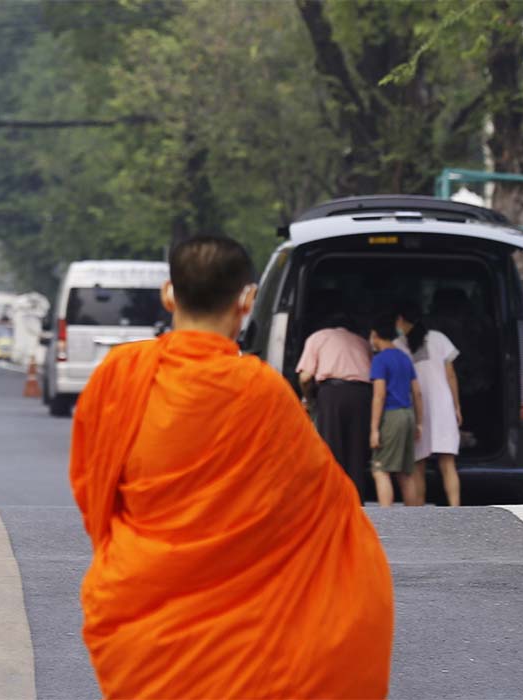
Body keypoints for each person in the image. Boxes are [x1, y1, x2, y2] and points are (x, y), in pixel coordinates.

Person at [70, 235, 393, 699]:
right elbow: (324, 505)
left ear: (168, 294)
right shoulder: (262, 392)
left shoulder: (119, 375)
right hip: (245, 626)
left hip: (141, 609)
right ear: (247, 300)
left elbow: (90, 484)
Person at [296, 296, 373, 501]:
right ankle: (356, 501)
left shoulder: (317, 337)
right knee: (357, 449)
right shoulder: (362, 341)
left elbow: (304, 377)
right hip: (362, 394)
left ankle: (333, 499)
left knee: (332, 446)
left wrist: (309, 398)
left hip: (332, 393)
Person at [395, 300, 462, 506]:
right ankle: (455, 506)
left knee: (418, 464)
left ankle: (420, 509)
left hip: (417, 408)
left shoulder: (399, 346)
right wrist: (457, 406)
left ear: (400, 320)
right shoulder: (438, 338)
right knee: (447, 463)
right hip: (443, 405)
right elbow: (450, 374)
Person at [368, 312, 424, 507]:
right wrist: (419, 422)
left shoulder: (380, 360)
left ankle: (387, 519)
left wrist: (374, 429)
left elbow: (379, 395)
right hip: (408, 415)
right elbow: (417, 392)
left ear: (375, 335)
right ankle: (411, 518)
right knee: (405, 472)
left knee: (380, 470)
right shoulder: (404, 357)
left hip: (391, 415)